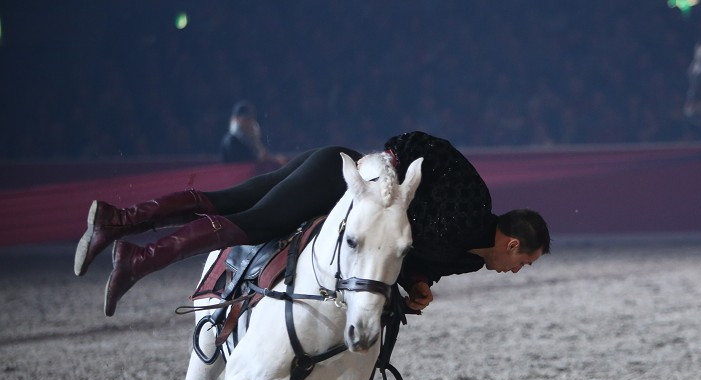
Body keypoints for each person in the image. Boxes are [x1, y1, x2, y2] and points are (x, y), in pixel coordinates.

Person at [73, 131, 551, 316]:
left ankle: (117, 223)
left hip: (336, 182)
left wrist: (418, 282)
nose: (519, 270)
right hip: (335, 179)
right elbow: (427, 145)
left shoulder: (469, 263)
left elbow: (402, 253)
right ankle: (137, 259)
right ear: (512, 244)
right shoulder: (474, 202)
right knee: (251, 220)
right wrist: (389, 161)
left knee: (230, 200)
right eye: (525, 262)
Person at [220, 100, 287, 166]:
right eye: (246, 119)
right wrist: (258, 159)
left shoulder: (254, 136)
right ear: (237, 119)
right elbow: (238, 163)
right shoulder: (231, 140)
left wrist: (273, 159)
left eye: (251, 119)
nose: (249, 123)